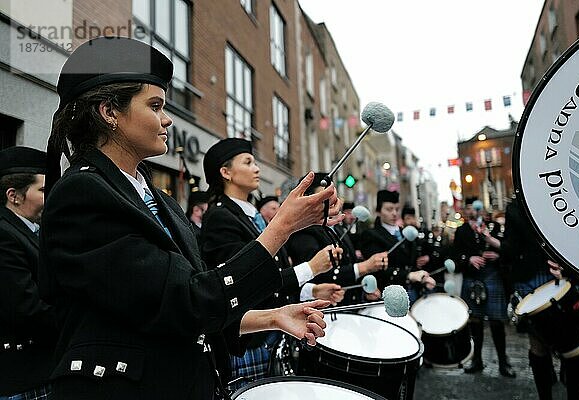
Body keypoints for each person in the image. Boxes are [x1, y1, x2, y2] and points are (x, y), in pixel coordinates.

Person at [40, 36, 339, 400]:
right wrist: (283, 227)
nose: (167, 119)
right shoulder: (83, 194)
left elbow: (189, 308)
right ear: (110, 113)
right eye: (154, 105)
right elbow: (188, 302)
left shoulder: (151, 196)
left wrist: (273, 317)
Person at [200, 140, 344, 389]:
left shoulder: (252, 215)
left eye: (256, 162)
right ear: (225, 172)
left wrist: (309, 291)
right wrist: (311, 267)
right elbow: (245, 281)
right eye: (248, 162)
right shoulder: (219, 217)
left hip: (274, 332)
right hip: (246, 341)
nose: (257, 168)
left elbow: (270, 281)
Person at [503, 198, 579, 399]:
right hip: (533, 279)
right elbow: (512, 249)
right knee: (543, 345)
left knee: (573, 346)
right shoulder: (516, 207)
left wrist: (567, 267)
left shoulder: (553, 197)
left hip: (564, 275)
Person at [0, 147, 55, 400]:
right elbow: (26, 307)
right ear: (14, 196)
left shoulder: (32, 231)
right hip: (21, 376)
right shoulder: (4, 235)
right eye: (43, 190)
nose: (50, 197)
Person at [287, 175, 384, 305]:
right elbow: (315, 275)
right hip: (325, 314)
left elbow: (348, 263)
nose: (333, 201)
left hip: (351, 309)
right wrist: (364, 267)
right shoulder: (302, 231)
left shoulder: (338, 228)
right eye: (325, 197)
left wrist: (364, 289)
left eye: (333, 195)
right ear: (308, 199)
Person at [452, 199, 515, 377]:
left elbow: (507, 250)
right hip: (472, 276)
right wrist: (468, 259)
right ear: (465, 210)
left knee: (496, 321)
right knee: (475, 321)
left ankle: (503, 362)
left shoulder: (494, 227)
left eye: (475, 207)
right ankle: (476, 360)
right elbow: (454, 256)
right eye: (469, 208)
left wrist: (497, 255)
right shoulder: (461, 231)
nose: (473, 211)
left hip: (492, 275)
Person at [360, 190, 435, 296]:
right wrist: (408, 275)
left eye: (397, 209)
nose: (394, 213)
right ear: (378, 211)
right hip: (390, 294)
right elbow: (377, 270)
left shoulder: (406, 232)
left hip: (414, 291)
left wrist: (423, 278)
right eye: (389, 209)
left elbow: (413, 262)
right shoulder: (371, 235)